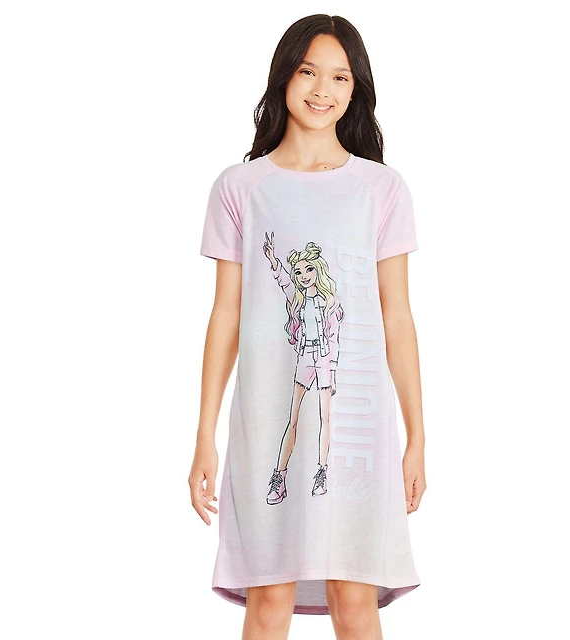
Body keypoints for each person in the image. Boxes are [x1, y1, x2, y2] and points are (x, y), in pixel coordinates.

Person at [189, 13, 427, 639]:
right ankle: (280, 470)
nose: (323, 90)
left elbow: (398, 318)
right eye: (308, 72)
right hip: (262, 411)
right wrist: (204, 435)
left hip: (361, 430)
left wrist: (417, 436)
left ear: (356, 88)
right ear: (284, 78)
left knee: (355, 597)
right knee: (269, 598)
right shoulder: (241, 187)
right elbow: (226, 314)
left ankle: (323, 464)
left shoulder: (381, 189)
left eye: (340, 77)